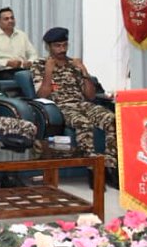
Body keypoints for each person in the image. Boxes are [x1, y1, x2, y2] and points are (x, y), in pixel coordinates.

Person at [31, 27, 117, 171]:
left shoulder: (74, 64)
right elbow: (42, 95)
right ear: (49, 47)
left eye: (65, 45)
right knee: (83, 123)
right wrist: (48, 72)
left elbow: (90, 96)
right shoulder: (39, 65)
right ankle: (91, 167)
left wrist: (84, 71)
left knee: (111, 119)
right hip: (60, 107)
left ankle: (110, 166)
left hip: (82, 104)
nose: (62, 49)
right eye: (57, 46)